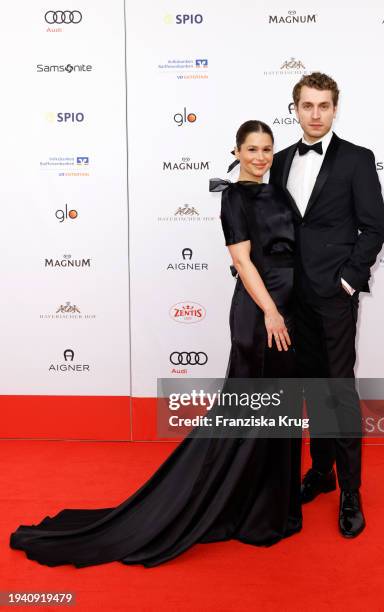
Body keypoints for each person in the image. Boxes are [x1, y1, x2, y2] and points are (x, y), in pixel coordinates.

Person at [10, 120, 302, 568]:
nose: (260, 157)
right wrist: (270, 311)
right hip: (260, 312)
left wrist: (291, 307)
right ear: (237, 152)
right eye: (251, 149)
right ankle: (241, 507)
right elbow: (242, 262)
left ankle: (268, 506)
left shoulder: (280, 192)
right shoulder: (232, 196)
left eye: (266, 149)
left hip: (287, 310)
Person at [269, 72, 384, 538]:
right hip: (289, 299)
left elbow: (373, 228)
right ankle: (321, 472)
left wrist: (347, 282)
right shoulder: (277, 162)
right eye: (306, 105)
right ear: (294, 109)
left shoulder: (357, 159)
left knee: (338, 392)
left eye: (323, 105)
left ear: (336, 108)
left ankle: (351, 493)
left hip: (333, 298)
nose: (315, 113)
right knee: (306, 389)